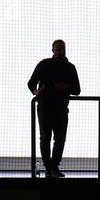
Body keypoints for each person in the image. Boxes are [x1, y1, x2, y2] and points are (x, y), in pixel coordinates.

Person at [27, 39, 81, 177]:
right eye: (58, 49)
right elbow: (31, 83)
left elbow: (77, 90)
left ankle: (53, 167)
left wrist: (66, 87)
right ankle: (49, 167)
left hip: (61, 108)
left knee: (60, 138)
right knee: (45, 138)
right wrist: (36, 92)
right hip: (44, 107)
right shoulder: (43, 64)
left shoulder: (70, 68)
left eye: (63, 48)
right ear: (53, 50)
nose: (61, 51)